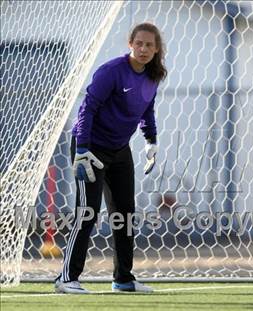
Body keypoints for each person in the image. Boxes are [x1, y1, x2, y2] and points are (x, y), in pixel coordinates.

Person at [55, 22, 167, 294]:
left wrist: (151, 140)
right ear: (130, 43)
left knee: (125, 215)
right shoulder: (111, 72)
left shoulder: (154, 75)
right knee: (88, 213)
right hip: (91, 148)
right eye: (138, 43)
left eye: (149, 45)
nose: (143, 49)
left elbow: (147, 109)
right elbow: (87, 110)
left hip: (120, 151)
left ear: (156, 49)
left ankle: (123, 279)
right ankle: (67, 278)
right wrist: (81, 150)